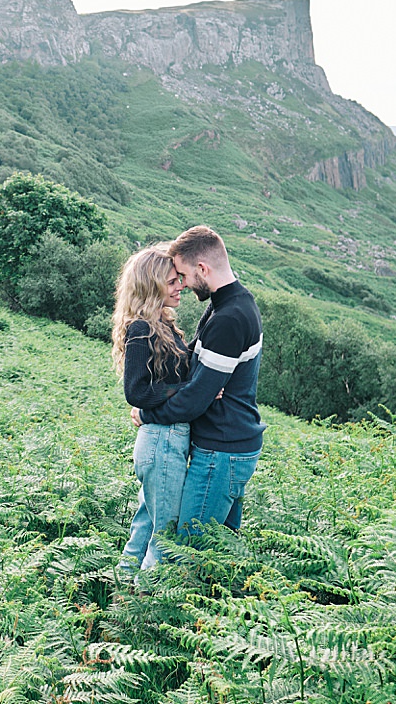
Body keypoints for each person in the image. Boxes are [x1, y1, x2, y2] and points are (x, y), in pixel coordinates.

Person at [134, 225, 264, 534]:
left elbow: (194, 400)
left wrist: (145, 413)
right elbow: (193, 373)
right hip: (232, 445)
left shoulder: (228, 319)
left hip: (221, 450)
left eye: (185, 275)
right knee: (220, 549)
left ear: (202, 268)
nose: (183, 285)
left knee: (186, 550)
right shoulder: (228, 306)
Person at [113, 244, 190, 572]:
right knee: (165, 535)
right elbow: (136, 391)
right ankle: (144, 608)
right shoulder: (142, 328)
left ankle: (122, 597)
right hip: (162, 441)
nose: (180, 286)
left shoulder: (164, 325)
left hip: (164, 440)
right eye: (172, 281)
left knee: (145, 526)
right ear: (152, 284)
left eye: (179, 279)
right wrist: (186, 390)